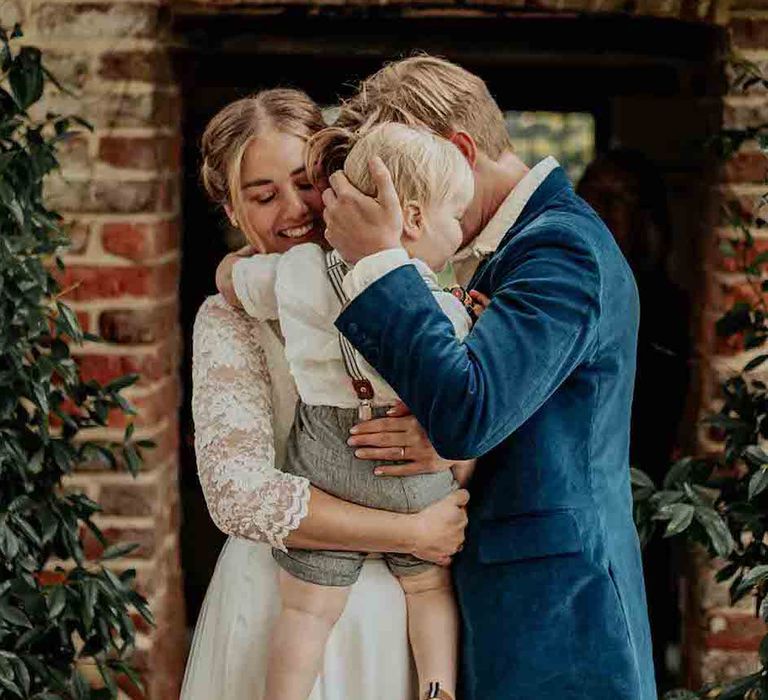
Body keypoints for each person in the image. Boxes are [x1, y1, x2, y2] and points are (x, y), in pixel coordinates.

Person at [321, 55, 657, 699]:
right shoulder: (506, 250)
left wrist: (380, 259)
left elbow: (470, 411)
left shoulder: (560, 248)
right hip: (513, 607)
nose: (397, 217)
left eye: (396, 192)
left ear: (457, 150)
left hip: (559, 620)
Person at [181, 89, 469, 700]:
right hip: (286, 597)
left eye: (304, 182)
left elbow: (480, 422)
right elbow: (238, 496)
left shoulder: (405, 285)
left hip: (402, 607)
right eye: (263, 196)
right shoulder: (228, 317)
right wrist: (412, 534)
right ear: (233, 211)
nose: (295, 209)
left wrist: (445, 452)